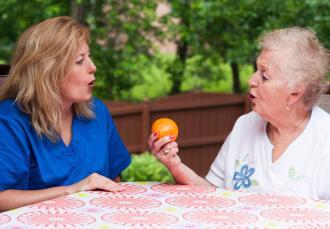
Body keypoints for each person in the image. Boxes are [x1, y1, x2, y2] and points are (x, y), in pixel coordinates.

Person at [148, 27, 330, 200]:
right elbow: (212, 194)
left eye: (264, 76)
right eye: (256, 70)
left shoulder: (325, 140)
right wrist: (174, 165)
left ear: (295, 93)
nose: (251, 80)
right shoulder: (245, 125)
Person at [0, 16, 131, 212]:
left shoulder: (97, 112)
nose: (92, 67)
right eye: (80, 61)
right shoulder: (10, 120)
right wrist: (72, 190)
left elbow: (113, 180)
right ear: (48, 71)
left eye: (89, 56)